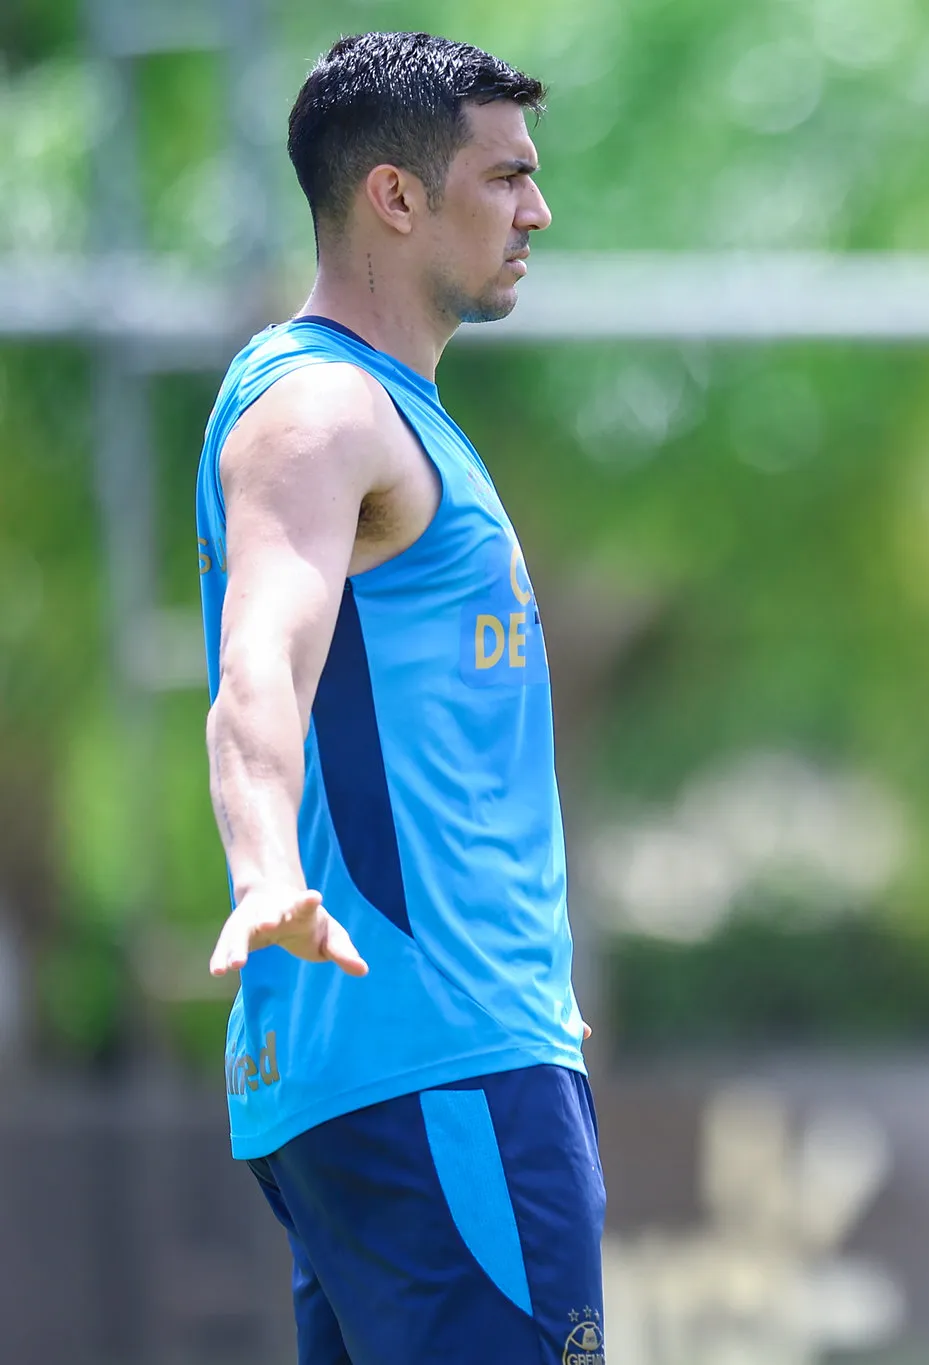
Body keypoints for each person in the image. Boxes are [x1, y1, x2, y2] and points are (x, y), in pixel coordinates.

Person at [195, 33, 604, 1364]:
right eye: (507, 177)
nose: (539, 210)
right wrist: (264, 872)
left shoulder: (390, 412)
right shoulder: (322, 409)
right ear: (395, 196)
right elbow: (260, 664)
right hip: (440, 1060)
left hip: (401, 1061)